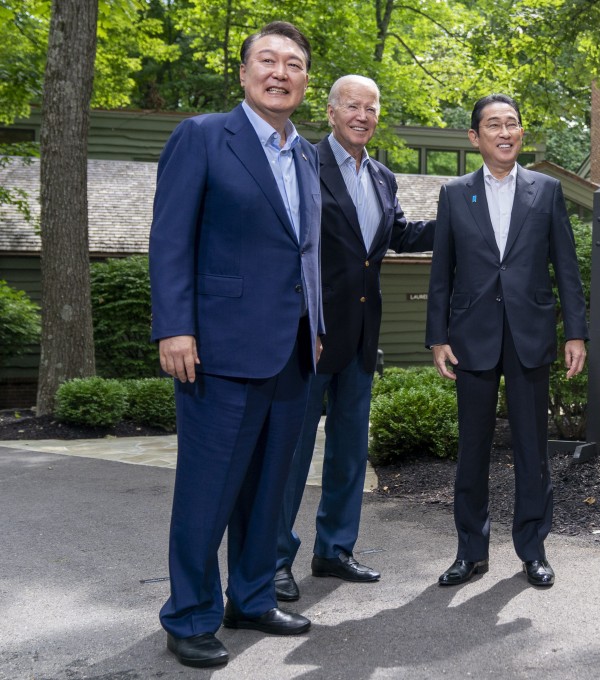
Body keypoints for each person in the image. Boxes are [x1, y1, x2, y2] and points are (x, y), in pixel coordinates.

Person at [148, 21, 323, 669]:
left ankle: (250, 596)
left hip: (292, 351)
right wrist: (174, 325)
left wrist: (320, 326)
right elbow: (170, 237)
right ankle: (189, 615)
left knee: (269, 486)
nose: (281, 72)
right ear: (244, 73)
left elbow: (305, 254)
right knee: (209, 490)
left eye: (294, 64)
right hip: (216, 349)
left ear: (305, 81)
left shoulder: (305, 155)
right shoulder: (201, 137)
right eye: (268, 60)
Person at [274, 75, 434, 601]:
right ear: (331, 111)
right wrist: (304, 324)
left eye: (371, 107)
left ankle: (334, 550)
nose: (362, 115)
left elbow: (398, 236)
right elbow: (289, 249)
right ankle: (273, 558)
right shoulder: (304, 164)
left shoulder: (384, 178)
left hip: (363, 341)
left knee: (348, 453)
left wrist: (460, 212)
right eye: (352, 106)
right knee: (291, 455)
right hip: (311, 339)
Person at [425, 93, 588, 588]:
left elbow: (566, 266)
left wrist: (575, 332)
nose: (504, 132)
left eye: (512, 124)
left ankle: (533, 549)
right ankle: (470, 552)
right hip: (470, 339)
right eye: (493, 125)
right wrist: (437, 337)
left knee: (531, 451)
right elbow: (441, 272)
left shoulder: (547, 190)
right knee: (471, 450)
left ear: (521, 133)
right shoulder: (455, 193)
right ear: (475, 137)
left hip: (529, 337)